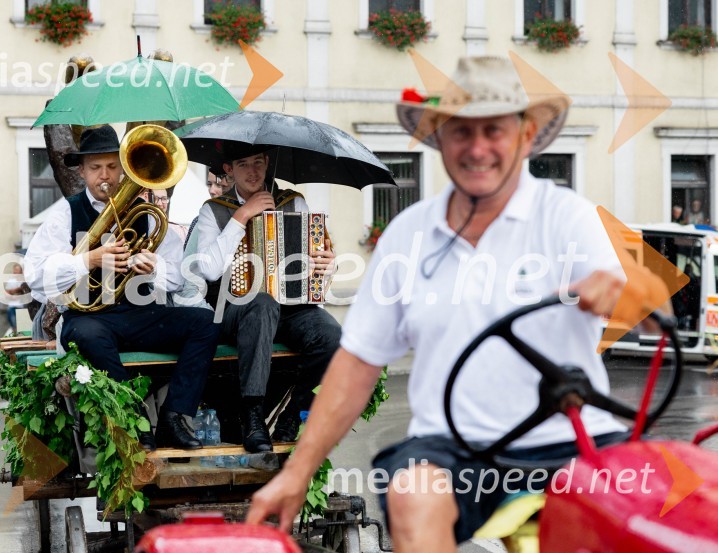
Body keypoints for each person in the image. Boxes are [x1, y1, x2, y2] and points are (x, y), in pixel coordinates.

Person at [246, 56, 670, 550]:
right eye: (461, 132)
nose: (478, 148)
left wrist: (618, 291)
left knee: (659, 507)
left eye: (494, 131)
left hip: (570, 443)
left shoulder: (566, 217)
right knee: (410, 490)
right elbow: (357, 364)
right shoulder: (408, 234)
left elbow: (643, 303)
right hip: (451, 450)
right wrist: (297, 473)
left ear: (526, 135)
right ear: (439, 140)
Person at [24, 125, 221, 452]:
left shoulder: (146, 213)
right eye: (96, 167)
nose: (105, 175)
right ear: (83, 171)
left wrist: (154, 267)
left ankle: (174, 416)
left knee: (206, 325)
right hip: (89, 318)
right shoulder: (65, 213)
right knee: (87, 335)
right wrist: (90, 259)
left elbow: (178, 276)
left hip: (140, 313)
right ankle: (132, 418)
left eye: (112, 166)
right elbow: (35, 276)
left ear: (124, 168)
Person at [193, 144, 341, 453]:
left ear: (267, 163)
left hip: (291, 306)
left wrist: (327, 264)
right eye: (243, 164)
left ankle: (292, 417)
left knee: (333, 336)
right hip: (234, 308)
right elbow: (208, 270)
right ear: (229, 170)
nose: (252, 171)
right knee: (262, 303)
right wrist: (242, 216)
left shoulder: (293, 201)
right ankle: (254, 416)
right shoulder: (213, 209)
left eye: (258, 163)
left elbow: (318, 259)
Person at [4, 263, 30, 336]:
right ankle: (15, 331)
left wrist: (13, 291)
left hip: (22, 307)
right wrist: (15, 293)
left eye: (17, 270)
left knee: (23, 327)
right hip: (12, 305)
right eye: (14, 270)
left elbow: (23, 289)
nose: (15, 272)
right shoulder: (11, 281)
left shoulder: (24, 281)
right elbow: (6, 293)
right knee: (13, 324)